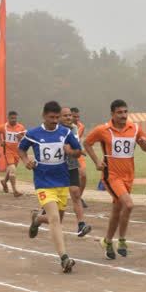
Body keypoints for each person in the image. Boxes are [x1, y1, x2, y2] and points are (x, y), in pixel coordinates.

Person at [82, 100, 146, 260]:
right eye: (119, 112)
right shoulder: (103, 129)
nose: (123, 115)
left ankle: (107, 241)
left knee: (117, 210)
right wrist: (96, 161)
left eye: (125, 112)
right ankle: (122, 240)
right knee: (128, 204)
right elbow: (87, 143)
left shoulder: (135, 128)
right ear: (112, 114)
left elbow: (145, 145)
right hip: (112, 175)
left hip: (129, 175)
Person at [18, 101, 83, 273]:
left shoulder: (65, 132)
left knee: (56, 221)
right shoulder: (33, 133)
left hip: (62, 182)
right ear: (44, 116)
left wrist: (71, 152)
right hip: (43, 183)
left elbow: (78, 151)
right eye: (51, 117)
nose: (55, 121)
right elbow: (21, 150)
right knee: (54, 219)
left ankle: (37, 219)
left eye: (57, 117)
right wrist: (26, 161)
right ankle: (64, 258)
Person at [56, 107, 92, 237]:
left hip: (71, 165)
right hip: (57, 167)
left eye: (70, 115)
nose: (69, 118)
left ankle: (81, 225)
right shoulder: (55, 129)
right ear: (58, 117)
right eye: (65, 116)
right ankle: (41, 217)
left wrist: (77, 150)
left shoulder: (75, 128)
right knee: (57, 200)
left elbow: (75, 144)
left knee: (76, 194)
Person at [0, 111, 26, 197]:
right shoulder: (3, 127)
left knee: (11, 170)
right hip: (8, 151)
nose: (14, 120)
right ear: (8, 118)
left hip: (17, 152)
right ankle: (15, 190)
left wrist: (21, 137)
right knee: (13, 169)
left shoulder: (21, 127)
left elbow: (25, 138)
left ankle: (4, 181)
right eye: (12, 118)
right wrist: (1, 141)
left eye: (15, 118)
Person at [71, 107, 88, 207]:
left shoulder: (81, 126)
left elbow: (78, 140)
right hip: (68, 154)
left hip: (78, 154)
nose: (76, 118)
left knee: (83, 175)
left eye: (78, 116)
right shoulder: (65, 127)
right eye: (74, 116)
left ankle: (78, 198)